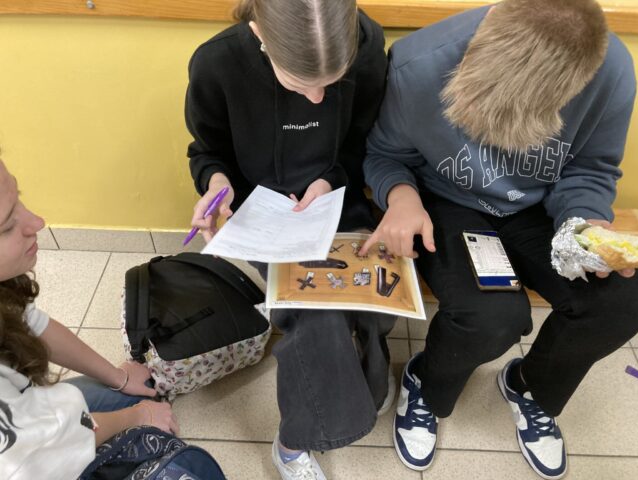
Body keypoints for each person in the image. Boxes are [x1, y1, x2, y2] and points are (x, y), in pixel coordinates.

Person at [361, 0, 638, 478]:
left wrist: (586, 225)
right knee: (490, 316)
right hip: (449, 203)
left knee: (622, 299)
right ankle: (425, 383)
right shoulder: (418, 64)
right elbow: (384, 154)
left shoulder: (611, 70)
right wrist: (401, 198)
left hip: (543, 208)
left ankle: (530, 385)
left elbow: (591, 169)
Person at [184, 1, 393, 478]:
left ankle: (369, 381)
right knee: (315, 313)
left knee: (376, 288)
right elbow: (206, 151)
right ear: (259, 33)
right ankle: (295, 443)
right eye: (299, 83)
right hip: (261, 209)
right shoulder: (217, 63)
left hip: (334, 195)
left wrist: (331, 178)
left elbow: (364, 140)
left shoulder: (366, 43)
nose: (317, 99)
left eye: (331, 84)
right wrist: (217, 185)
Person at [0, 158, 179, 479]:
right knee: (169, 453)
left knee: (127, 392)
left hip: (26, 428)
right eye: (6, 226)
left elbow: (33, 326)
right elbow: (46, 449)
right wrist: (139, 416)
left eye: (18, 198)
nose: (37, 222)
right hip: (27, 464)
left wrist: (118, 377)